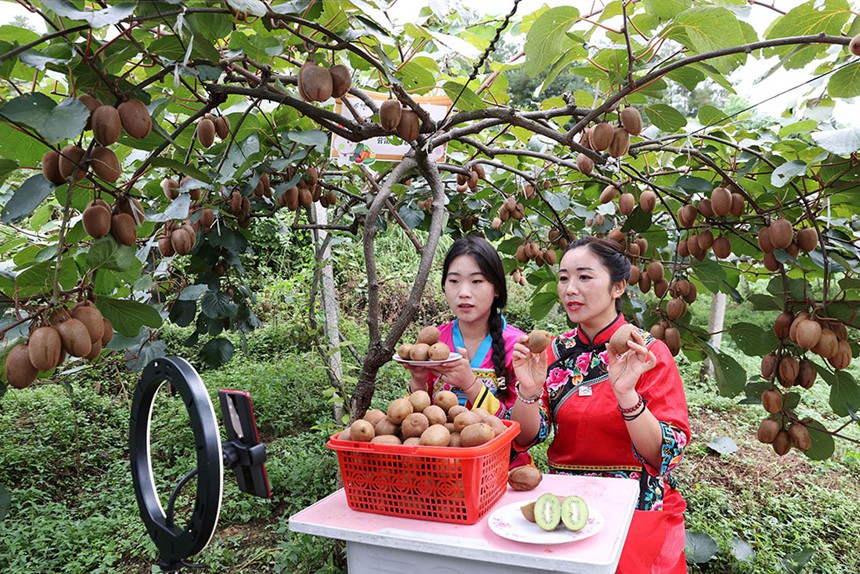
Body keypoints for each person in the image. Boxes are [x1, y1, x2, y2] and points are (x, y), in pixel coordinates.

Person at [511, 236, 690, 572]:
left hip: (633, 506)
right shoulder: (553, 351)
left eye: (585, 276)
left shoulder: (647, 354)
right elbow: (524, 438)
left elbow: (663, 452)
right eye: (563, 278)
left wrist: (627, 396)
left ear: (618, 287)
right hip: (563, 507)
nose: (570, 289)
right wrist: (529, 390)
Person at [403, 236, 548, 467]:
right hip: (442, 472)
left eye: (477, 281)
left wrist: (470, 384)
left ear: (497, 289)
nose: (463, 292)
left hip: (504, 474)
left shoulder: (519, 347)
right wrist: (418, 380)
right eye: (454, 281)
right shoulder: (433, 343)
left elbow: (524, 436)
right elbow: (417, 422)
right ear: (444, 286)